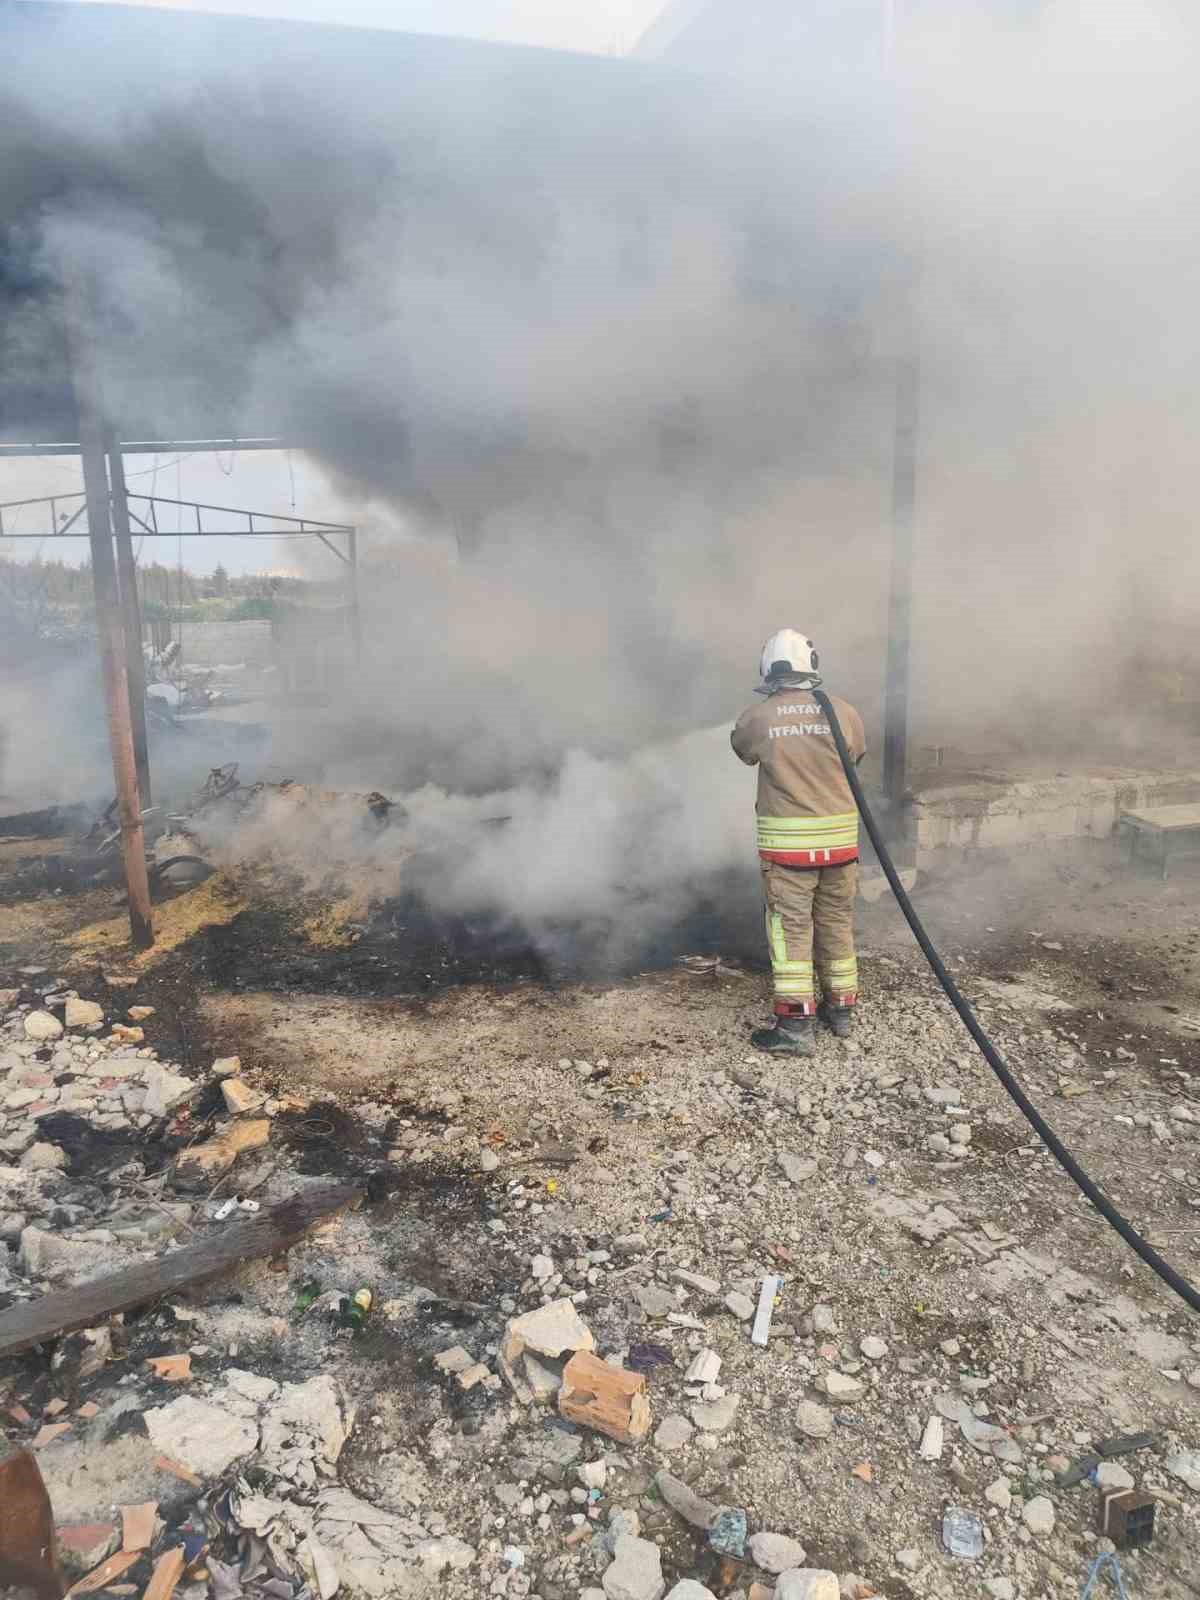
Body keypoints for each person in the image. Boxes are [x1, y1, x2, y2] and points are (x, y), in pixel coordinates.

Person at [731, 628, 866, 1055]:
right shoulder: (843, 712)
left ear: (769, 669)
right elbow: (856, 755)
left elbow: (743, 750)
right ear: (813, 665)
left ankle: (794, 1028)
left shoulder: (760, 717)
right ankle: (841, 1010)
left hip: (789, 852)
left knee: (790, 932)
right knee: (836, 924)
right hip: (841, 848)